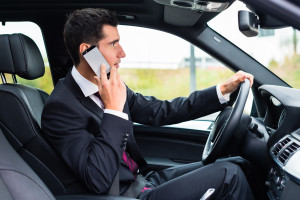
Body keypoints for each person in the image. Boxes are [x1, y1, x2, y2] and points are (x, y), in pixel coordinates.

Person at [41, 8, 255, 200]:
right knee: (230, 175)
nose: (122, 53)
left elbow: (160, 111)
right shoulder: (60, 108)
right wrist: (113, 111)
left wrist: (221, 91)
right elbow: (98, 178)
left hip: (143, 182)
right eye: (113, 44)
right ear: (87, 51)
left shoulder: (112, 84)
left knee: (240, 164)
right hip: (123, 195)